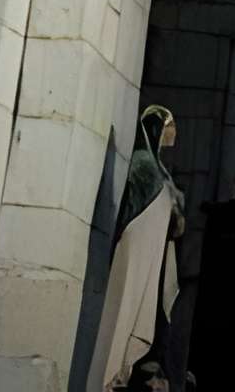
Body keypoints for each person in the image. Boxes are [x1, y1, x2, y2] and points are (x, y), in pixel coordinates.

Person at [89, 104, 189, 391]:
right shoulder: (143, 164)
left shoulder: (161, 172)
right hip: (137, 248)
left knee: (148, 311)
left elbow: (173, 221)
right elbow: (135, 210)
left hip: (155, 253)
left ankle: (130, 367)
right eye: (167, 127)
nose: (171, 135)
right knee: (125, 309)